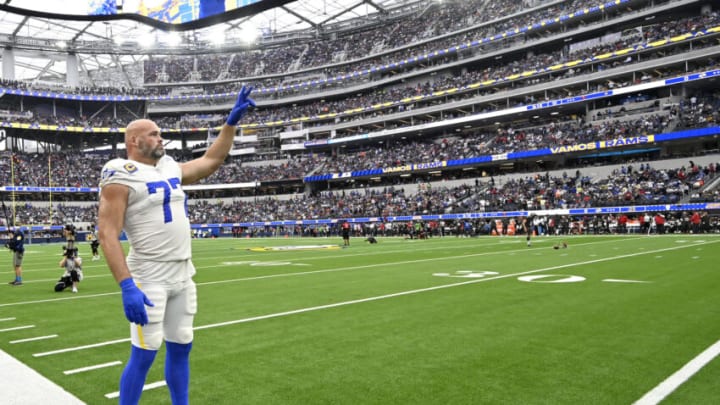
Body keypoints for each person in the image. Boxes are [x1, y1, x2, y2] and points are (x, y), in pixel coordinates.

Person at [97, 85, 255, 405]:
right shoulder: (120, 173)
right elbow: (107, 234)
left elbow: (211, 159)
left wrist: (230, 123)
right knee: (144, 354)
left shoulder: (169, 166)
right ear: (134, 141)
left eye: (160, 134)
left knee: (182, 345)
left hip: (183, 274)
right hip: (149, 276)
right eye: (153, 134)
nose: (160, 138)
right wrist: (127, 285)